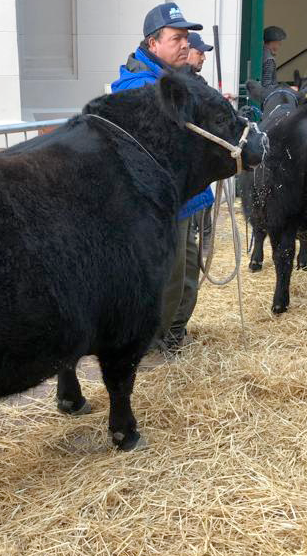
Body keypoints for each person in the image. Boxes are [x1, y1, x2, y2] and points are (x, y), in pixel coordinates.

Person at [111, 3, 211, 353]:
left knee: (185, 272)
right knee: (169, 274)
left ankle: (172, 335)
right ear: (153, 44)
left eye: (186, 37)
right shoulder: (139, 88)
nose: (185, 44)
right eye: (177, 38)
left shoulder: (175, 79)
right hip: (161, 202)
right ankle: (154, 344)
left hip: (184, 196)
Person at [261, 26, 287, 90]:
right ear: (273, 42)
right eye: (279, 43)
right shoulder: (269, 60)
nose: (280, 45)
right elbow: (266, 85)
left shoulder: (262, 53)